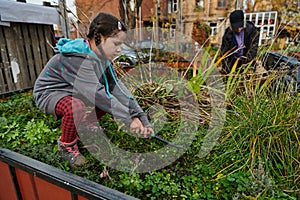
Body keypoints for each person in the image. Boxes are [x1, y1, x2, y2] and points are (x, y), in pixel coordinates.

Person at [33, 12, 153, 168]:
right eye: (116, 44)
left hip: (73, 90)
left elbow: (117, 90)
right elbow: (98, 95)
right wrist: (128, 119)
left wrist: (141, 118)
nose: (119, 50)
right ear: (101, 38)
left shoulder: (102, 58)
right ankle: (66, 146)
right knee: (78, 106)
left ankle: (84, 127)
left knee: (105, 99)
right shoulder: (78, 59)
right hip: (49, 93)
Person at [220, 10, 259, 74]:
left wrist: (246, 66)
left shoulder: (252, 31)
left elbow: (253, 49)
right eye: (236, 27)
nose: (238, 29)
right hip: (233, 62)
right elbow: (224, 53)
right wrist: (227, 69)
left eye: (240, 26)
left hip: (247, 61)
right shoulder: (228, 34)